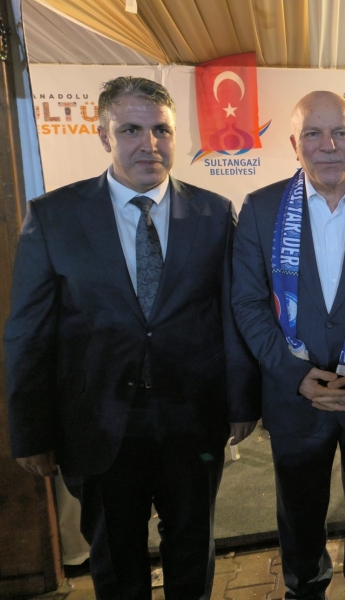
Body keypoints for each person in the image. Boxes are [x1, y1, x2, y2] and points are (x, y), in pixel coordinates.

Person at [4, 76, 259, 599]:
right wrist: (30, 431)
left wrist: (242, 403)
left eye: (161, 130)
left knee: (192, 552)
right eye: (131, 130)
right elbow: (29, 331)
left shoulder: (214, 213)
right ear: (103, 136)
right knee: (116, 564)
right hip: (97, 425)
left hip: (193, 421)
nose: (149, 144)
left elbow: (231, 318)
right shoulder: (53, 217)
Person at [231, 91, 345, 600]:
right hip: (295, 399)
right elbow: (247, 303)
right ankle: (305, 590)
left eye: (340, 133)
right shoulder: (261, 209)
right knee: (299, 519)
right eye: (313, 134)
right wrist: (295, 375)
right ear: (294, 144)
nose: (328, 145)